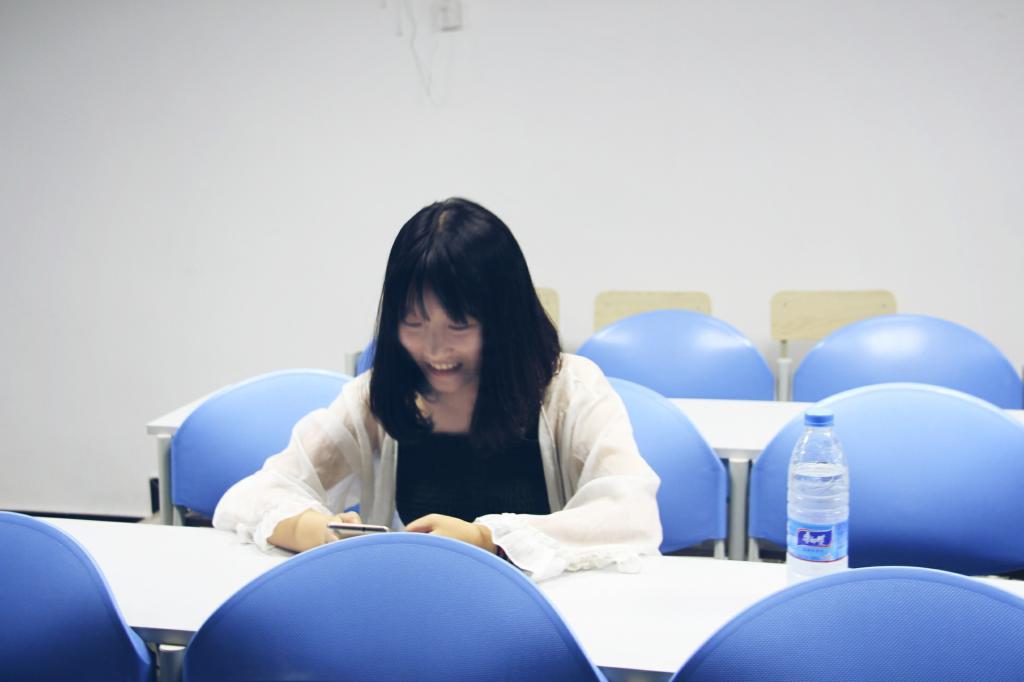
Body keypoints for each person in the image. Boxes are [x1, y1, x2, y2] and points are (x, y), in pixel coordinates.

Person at [213, 198, 662, 579]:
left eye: (458, 325)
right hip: (420, 613)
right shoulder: (378, 398)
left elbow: (630, 513)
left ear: (504, 321)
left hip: (539, 618)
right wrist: (309, 528)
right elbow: (256, 494)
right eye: (413, 322)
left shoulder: (571, 390)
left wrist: (487, 539)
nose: (434, 350)